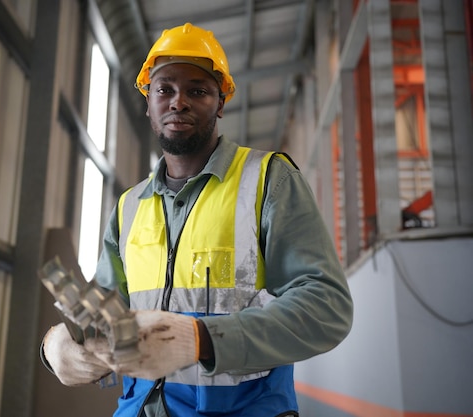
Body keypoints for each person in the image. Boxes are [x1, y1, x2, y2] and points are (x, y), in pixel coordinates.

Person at [41, 22, 353, 417]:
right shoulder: (129, 206)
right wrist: (61, 347)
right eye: (164, 89)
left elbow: (327, 307)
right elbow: (109, 319)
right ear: (148, 101)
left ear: (220, 103)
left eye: (198, 91)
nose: (178, 102)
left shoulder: (269, 181)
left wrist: (203, 340)